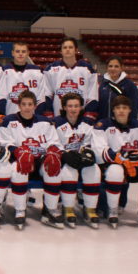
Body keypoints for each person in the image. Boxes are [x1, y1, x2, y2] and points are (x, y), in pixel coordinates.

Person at [0, 90, 63, 230]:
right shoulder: (8, 121)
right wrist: (18, 151)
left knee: (54, 170)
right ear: (19, 105)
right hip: (19, 160)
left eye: (30, 104)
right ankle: (17, 209)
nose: (27, 107)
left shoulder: (45, 122)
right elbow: (4, 142)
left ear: (35, 106)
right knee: (19, 170)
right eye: (24, 104)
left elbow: (54, 142)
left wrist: (53, 152)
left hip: (39, 160)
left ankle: (50, 209)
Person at [92, 95, 138, 229]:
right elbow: (99, 149)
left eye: (124, 108)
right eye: (118, 108)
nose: (121, 111)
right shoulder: (103, 125)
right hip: (113, 166)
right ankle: (112, 210)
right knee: (115, 172)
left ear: (130, 110)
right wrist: (119, 157)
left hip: (135, 166)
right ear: (113, 110)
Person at [53, 93, 102, 229]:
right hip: (64, 160)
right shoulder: (56, 123)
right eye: (70, 106)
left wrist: (87, 153)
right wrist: (65, 155)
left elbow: (88, 143)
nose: (73, 109)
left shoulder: (87, 124)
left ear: (81, 107)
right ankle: (68, 207)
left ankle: (90, 209)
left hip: (80, 158)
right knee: (69, 171)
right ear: (64, 107)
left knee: (94, 170)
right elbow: (54, 144)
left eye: (76, 106)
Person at [44, 37, 98, 120]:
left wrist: (88, 116)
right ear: (61, 51)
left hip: (80, 118)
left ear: (76, 50)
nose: (67, 50)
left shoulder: (88, 69)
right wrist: (49, 115)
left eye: (70, 47)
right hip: (58, 117)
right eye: (65, 47)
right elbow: (47, 95)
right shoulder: (51, 69)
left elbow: (93, 96)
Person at [0, 41, 49, 117]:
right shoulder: (4, 71)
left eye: (23, 51)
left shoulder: (37, 72)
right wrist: (3, 116)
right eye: (17, 51)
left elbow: (41, 99)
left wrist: (36, 117)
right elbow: (1, 97)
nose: (20, 54)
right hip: (11, 116)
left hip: (31, 117)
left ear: (28, 53)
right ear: (12, 53)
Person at [98, 56, 138, 121]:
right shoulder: (102, 85)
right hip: (104, 125)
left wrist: (131, 123)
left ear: (122, 68)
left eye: (116, 66)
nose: (113, 69)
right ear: (107, 68)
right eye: (110, 66)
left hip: (121, 126)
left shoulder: (130, 85)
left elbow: (135, 106)